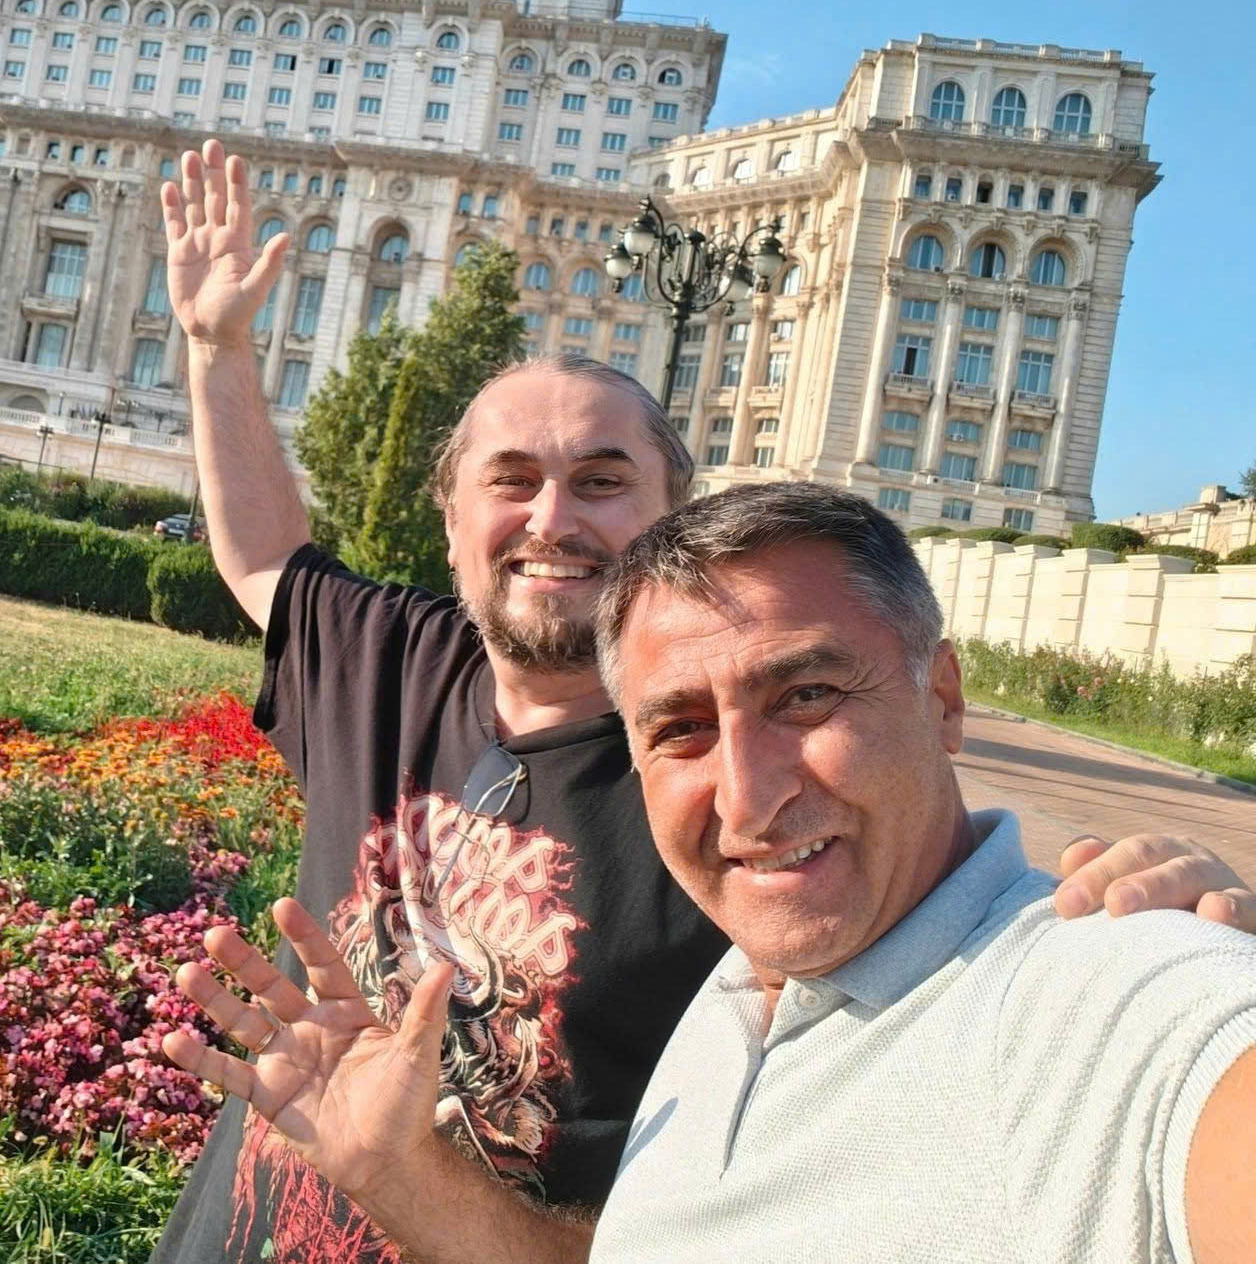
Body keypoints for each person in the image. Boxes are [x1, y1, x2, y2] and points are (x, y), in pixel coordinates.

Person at [150, 140, 1254, 1262]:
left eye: (601, 480)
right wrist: (215, 345)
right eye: (511, 479)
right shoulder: (389, 657)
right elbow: (262, 552)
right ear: (451, 520)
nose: (550, 518)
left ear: (669, 521)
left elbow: (1034, 995)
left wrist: (1165, 938)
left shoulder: (735, 833)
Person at [161, 483, 1256, 1262]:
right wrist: (396, 1166)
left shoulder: (1112, 989)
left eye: (806, 696)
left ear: (942, 699)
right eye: (680, 728)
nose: (744, 796)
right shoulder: (737, 990)